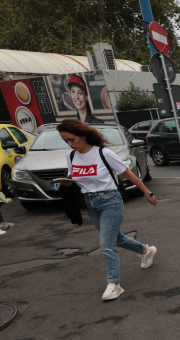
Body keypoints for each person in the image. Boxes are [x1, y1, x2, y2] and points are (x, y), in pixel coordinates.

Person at [58, 119, 158, 301]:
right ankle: (145, 251)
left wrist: (147, 193)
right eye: (66, 141)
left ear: (83, 136)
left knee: (106, 244)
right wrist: (67, 182)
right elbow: (75, 179)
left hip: (110, 201)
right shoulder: (70, 157)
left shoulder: (104, 154)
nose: (70, 144)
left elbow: (129, 175)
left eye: (72, 140)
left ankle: (114, 285)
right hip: (90, 203)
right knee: (116, 238)